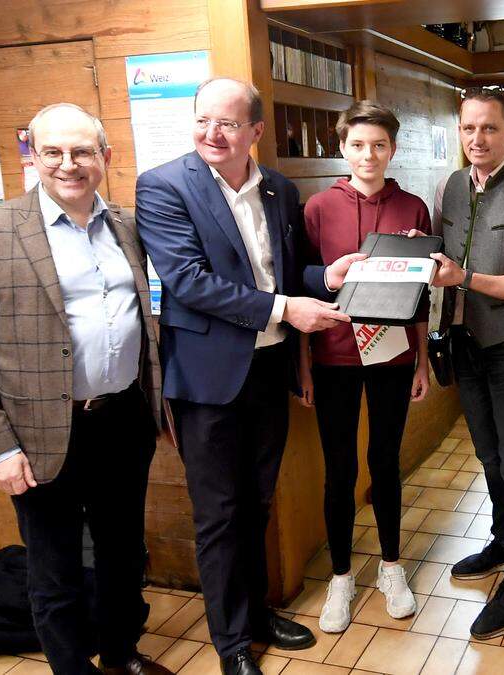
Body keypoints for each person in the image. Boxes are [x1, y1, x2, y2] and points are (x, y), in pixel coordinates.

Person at [136, 78, 362, 675]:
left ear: (256, 132)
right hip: (207, 380)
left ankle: (257, 614)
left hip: (268, 370)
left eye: (229, 124)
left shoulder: (280, 191)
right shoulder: (162, 187)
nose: (213, 133)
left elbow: (284, 275)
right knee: (218, 515)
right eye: (204, 120)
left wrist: (326, 277)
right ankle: (232, 644)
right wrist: (288, 308)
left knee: (258, 503)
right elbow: (187, 281)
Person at [0, 103, 169, 675]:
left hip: (122, 421)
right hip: (37, 434)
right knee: (55, 569)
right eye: (53, 152)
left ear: (105, 157)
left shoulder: (127, 226)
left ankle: (121, 655)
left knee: (122, 556)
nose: (69, 164)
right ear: (32, 155)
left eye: (82, 151)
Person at [300, 101, 429, 633]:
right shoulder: (317, 208)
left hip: (393, 356)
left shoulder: (414, 208)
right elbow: (300, 282)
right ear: (342, 147)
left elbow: (421, 293)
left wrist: (422, 360)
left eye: (378, 144)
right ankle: (340, 575)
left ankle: (392, 567)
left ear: (392, 149)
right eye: (357, 144)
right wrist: (303, 367)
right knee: (339, 468)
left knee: (385, 461)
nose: (368, 154)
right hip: (332, 356)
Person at [424, 87, 504, 639]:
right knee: (489, 458)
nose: (477, 139)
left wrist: (464, 278)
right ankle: (501, 541)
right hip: (462, 344)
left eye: (489, 129)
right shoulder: (450, 186)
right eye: (468, 129)